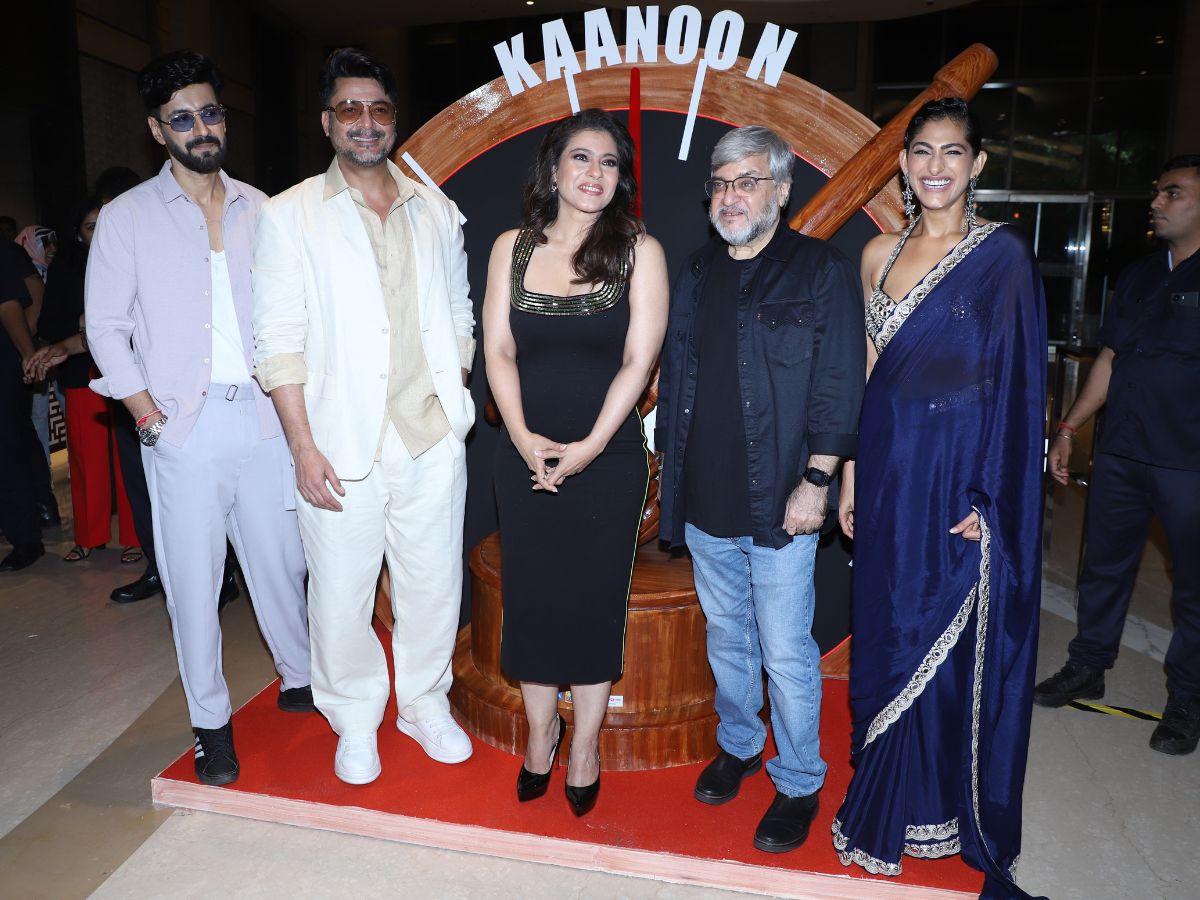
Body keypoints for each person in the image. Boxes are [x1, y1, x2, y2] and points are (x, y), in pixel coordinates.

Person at [832, 98, 1046, 900]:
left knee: (944, 636)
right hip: (889, 469)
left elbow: (1019, 386)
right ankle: (886, 792)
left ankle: (936, 807)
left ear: (977, 164)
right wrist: (852, 471)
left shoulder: (1002, 257)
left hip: (958, 475)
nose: (935, 167)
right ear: (902, 163)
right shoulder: (876, 254)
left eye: (953, 152)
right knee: (888, 628)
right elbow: (869, 371)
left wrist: (994, 496)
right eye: (922, 151)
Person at [85, 50, 315, 787]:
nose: (200, 128)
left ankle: (300, 679)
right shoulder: (126, 218)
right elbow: (105, 326)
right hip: (183, 426)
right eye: (182, 119)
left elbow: (292, 312)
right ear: (158, 131)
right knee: (194, 583)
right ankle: (211, 723)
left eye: (210, 113)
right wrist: (148, 418)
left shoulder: (261, 207)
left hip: (266, 420)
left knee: (282, 564)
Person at [253, 48, 477, 785]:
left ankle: (423, 703)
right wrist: (302, 447)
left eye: (378, 108)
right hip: (337, 440)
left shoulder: (435, 210)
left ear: (394, 120)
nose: (366, 121)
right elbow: (277, 342)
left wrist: (453, 389)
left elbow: (459, 312)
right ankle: (353, 716)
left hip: (428, 434)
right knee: (340, 594)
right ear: (327, 122)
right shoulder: (288, 215)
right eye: (349, 108)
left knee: (432, 585)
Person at [656, 125, 865, 852]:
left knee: (785, 649)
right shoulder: (695, 271)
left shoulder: (821, 269)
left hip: (782, 499)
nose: (731, 196)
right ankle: (740, 744)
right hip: (705, 498)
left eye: (747, 181)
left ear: (780, 189)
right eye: (721, 183)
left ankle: (800, 779)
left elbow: (841, 382)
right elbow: (677, 379)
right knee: (727, 638)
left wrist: (818, 480)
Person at [483, 109, 668, 815]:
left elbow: (638, 361)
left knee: (593, 604)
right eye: (582, 158)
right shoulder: (511, 248)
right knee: (531, 598)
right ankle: (541, 735)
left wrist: (587, 449)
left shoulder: (640, 252)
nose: (595, 173)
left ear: (621, 179)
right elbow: (498, 350)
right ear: (553, 168)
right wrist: (524, 437)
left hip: (609, 458)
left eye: (609, 162)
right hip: (522, 454)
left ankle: (585, 746)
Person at [1036, 155, 1200, 757]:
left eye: (1172, 192)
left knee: (1194, 588)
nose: (1156, 203)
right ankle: (1088, 665)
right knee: (1102, 568)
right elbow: (1110, 359)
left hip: (1190, 464)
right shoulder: (1139, 275)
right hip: (1123, 454)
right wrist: (1069, 427)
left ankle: (1188, 698)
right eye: (1158, 192)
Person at [26, 199, 140, 563]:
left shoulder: (131, 258)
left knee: (130, 460)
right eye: (91, 226)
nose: (100, 231)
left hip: (128, 371)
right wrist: (81, 321)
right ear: (78, 233)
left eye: (104, 223)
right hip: (81, 372)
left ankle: (136, 537)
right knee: (86, 460)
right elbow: (48, 324)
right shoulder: (65, 269)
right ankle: (89, 537)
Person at [0, 238, 51, 571]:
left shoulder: (4, 251)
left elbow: (10, 305)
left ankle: (26, 538)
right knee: (19, 439)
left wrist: (28, 354)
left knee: (7, 453)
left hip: (4, 364)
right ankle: (40, 509)